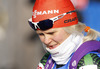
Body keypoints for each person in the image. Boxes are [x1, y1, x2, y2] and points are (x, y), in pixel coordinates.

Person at [28, 0, 100, 69]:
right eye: (41, 34)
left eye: (51, 33)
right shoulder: (47, 60)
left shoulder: (89, 61)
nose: (46, 41)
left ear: (70, 29)